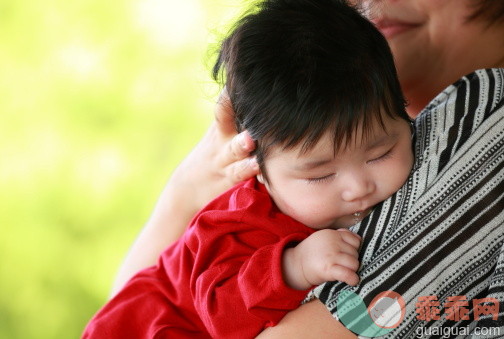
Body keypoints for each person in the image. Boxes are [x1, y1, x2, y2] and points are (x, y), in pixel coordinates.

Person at [110, 0, 504, 337]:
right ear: (261, 171)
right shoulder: (243, 213)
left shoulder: (483, 119)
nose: (357, 188)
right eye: (319, 175)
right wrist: (291, 266)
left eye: (381, 152)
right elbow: (203, 308)